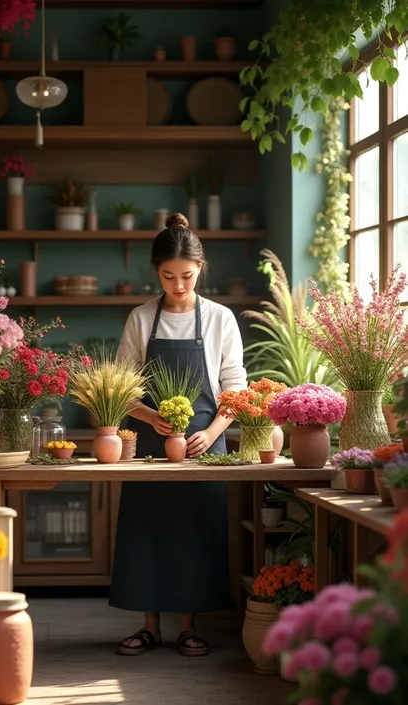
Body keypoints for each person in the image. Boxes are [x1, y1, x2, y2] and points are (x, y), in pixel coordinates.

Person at [109, 213, 247, 657]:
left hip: (206, 444)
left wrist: (211, 432)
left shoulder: (220, 319)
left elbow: (235, 388)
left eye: (186, 276)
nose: (178, 285)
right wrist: (149, 418)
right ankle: (149, 627)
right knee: (145, 529)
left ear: (200, 269)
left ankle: (188, 627)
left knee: (197, 532)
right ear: (156, 272)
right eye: (169, 276)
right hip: (149, 441)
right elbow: (121, 388)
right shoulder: (141, 318)